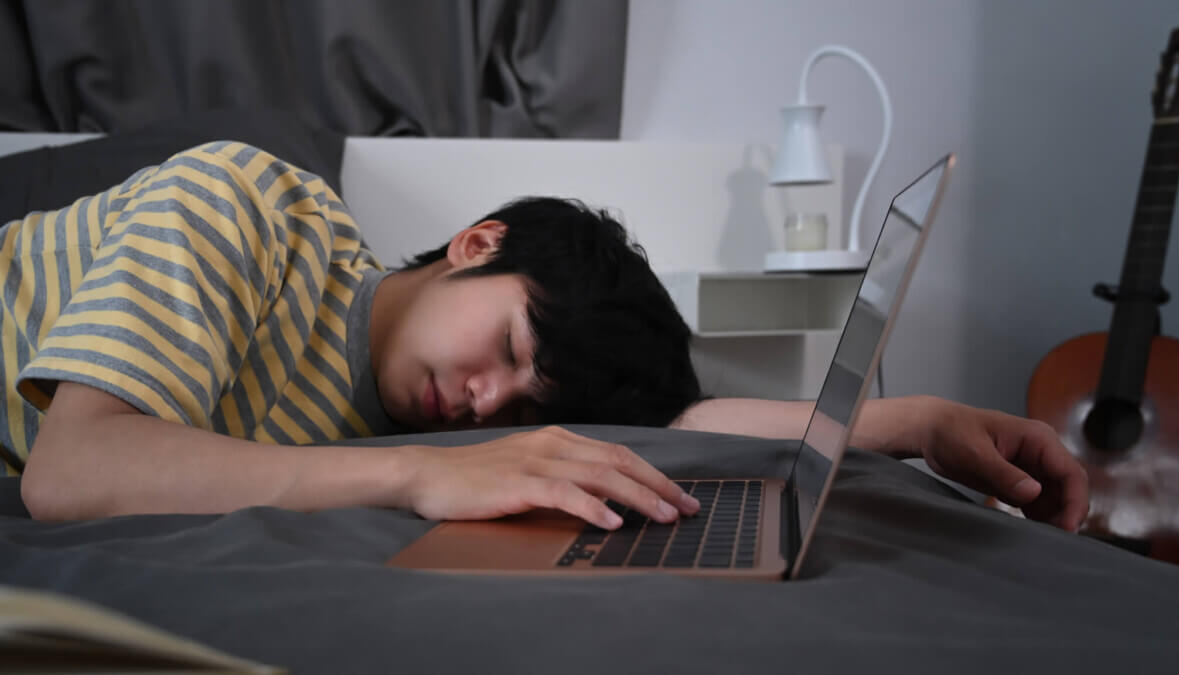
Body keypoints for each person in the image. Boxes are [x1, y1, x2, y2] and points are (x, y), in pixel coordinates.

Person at [3, 142, 1088, 533]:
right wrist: (415, 483)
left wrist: (912, 421)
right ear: (477, 244)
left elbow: (678, 418)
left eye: (527, 405)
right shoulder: (242, 202)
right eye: (513, 351)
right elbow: (74, 467)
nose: (488, 404)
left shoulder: (395, 401)